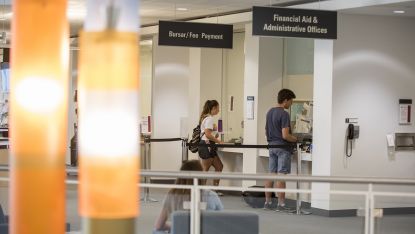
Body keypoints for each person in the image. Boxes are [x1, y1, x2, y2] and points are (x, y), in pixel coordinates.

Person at [153, 160, 223, 233]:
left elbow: (158, 225)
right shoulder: (211, 195)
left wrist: (174, 225)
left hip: (180, 230)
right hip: (205, 231)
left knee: (156, 230)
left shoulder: (172, 195)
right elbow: (223, 221)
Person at [264, 89, 297, 212]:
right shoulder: (284, 114)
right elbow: (285, 135)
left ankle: (267, 202)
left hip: (271, 146)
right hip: (282, 147)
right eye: (291, 101)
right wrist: (295, 139)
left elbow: (266, 130)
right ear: (285, 100)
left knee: (271, 174)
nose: (291, 104)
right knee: (281, 176)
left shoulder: (269, 112)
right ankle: (281, 205)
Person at [198, 100, 224, 193]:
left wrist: (215, 135)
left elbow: (208, 134)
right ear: (213, 108)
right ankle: (200, 191)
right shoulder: (209, 119)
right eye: (217, 108)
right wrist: (219, 141)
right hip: (206, 145)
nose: (218, 110)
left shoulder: (206, 118)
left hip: (209, 145)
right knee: (205, 170)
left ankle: (215, 189)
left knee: (219, 166)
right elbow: (207, 134)